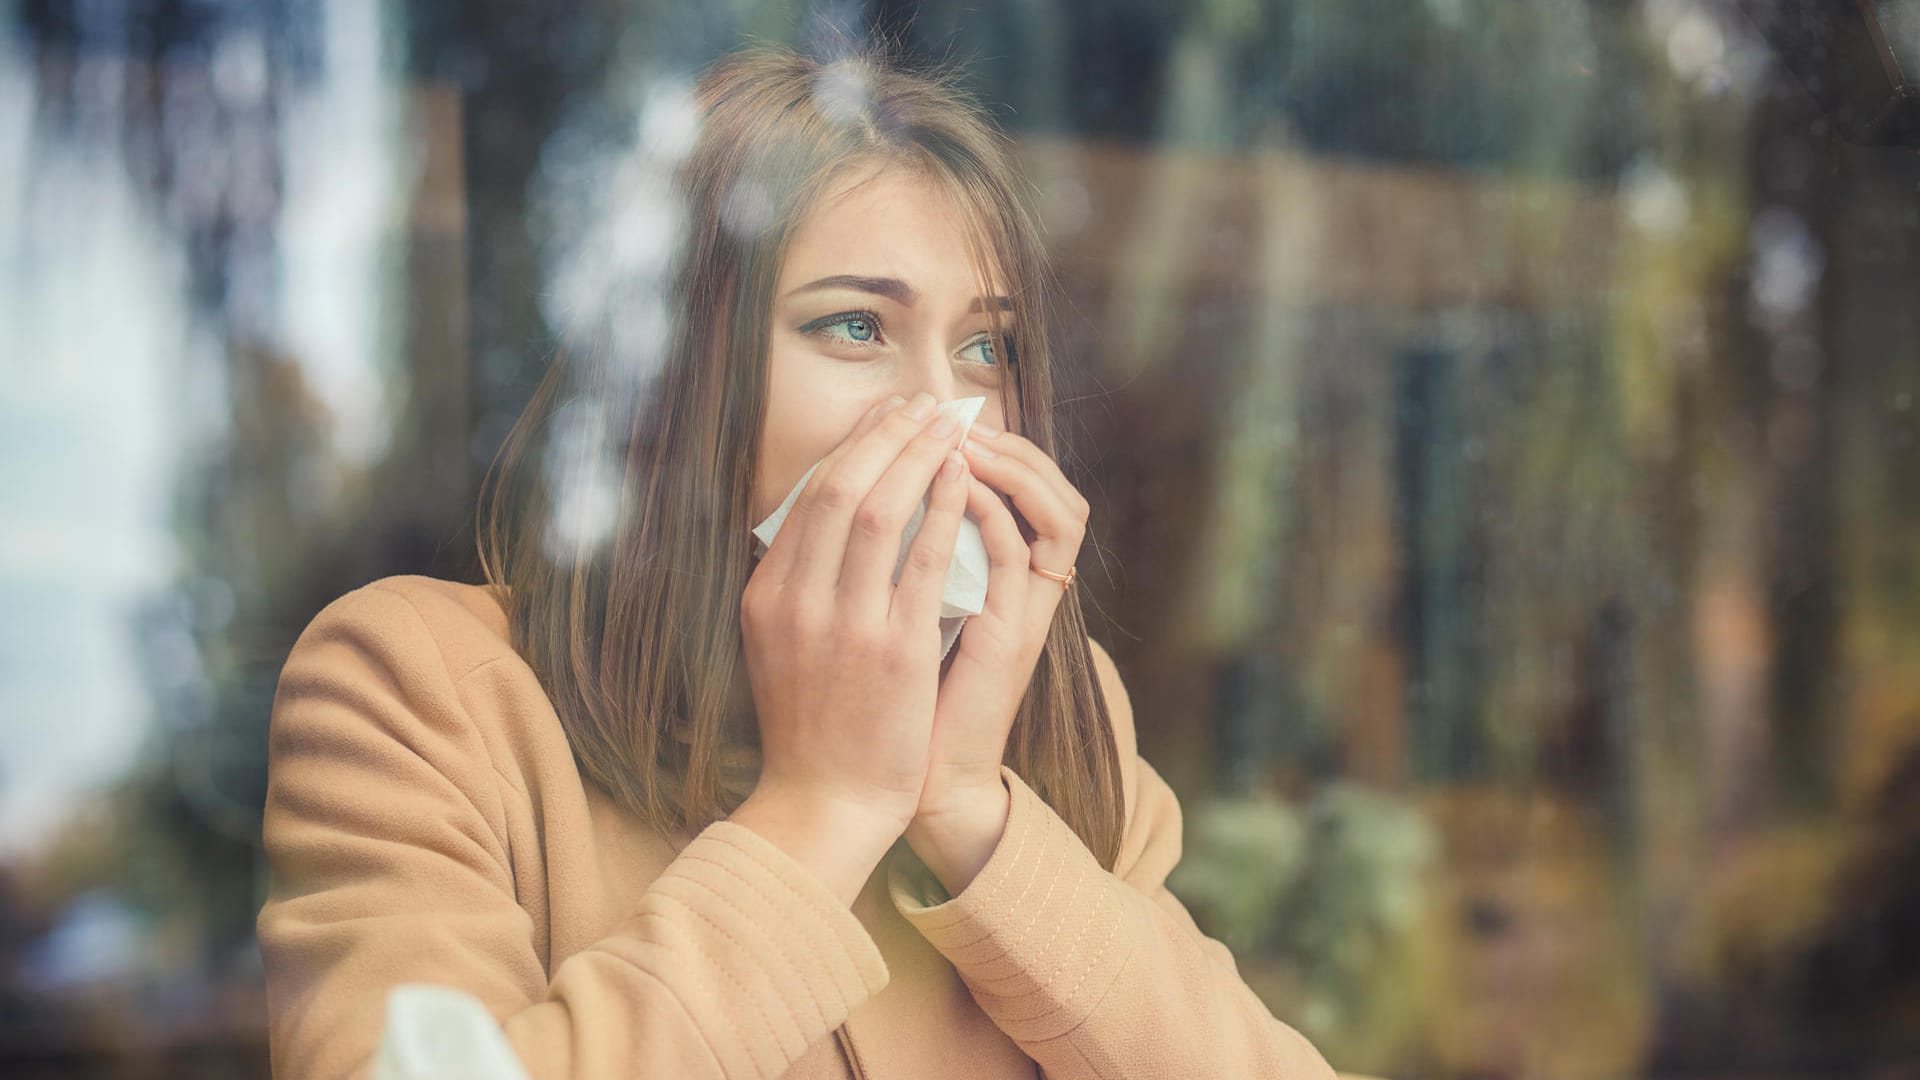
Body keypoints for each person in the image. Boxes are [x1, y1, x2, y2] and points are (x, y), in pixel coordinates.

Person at [256, 41, 1339, 1080]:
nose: (940, 412)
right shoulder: (418, 690)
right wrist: (822, 808)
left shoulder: (1061, 722)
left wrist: (971, 810)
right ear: (676, 381)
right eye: (856, 326)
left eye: (985, 348)